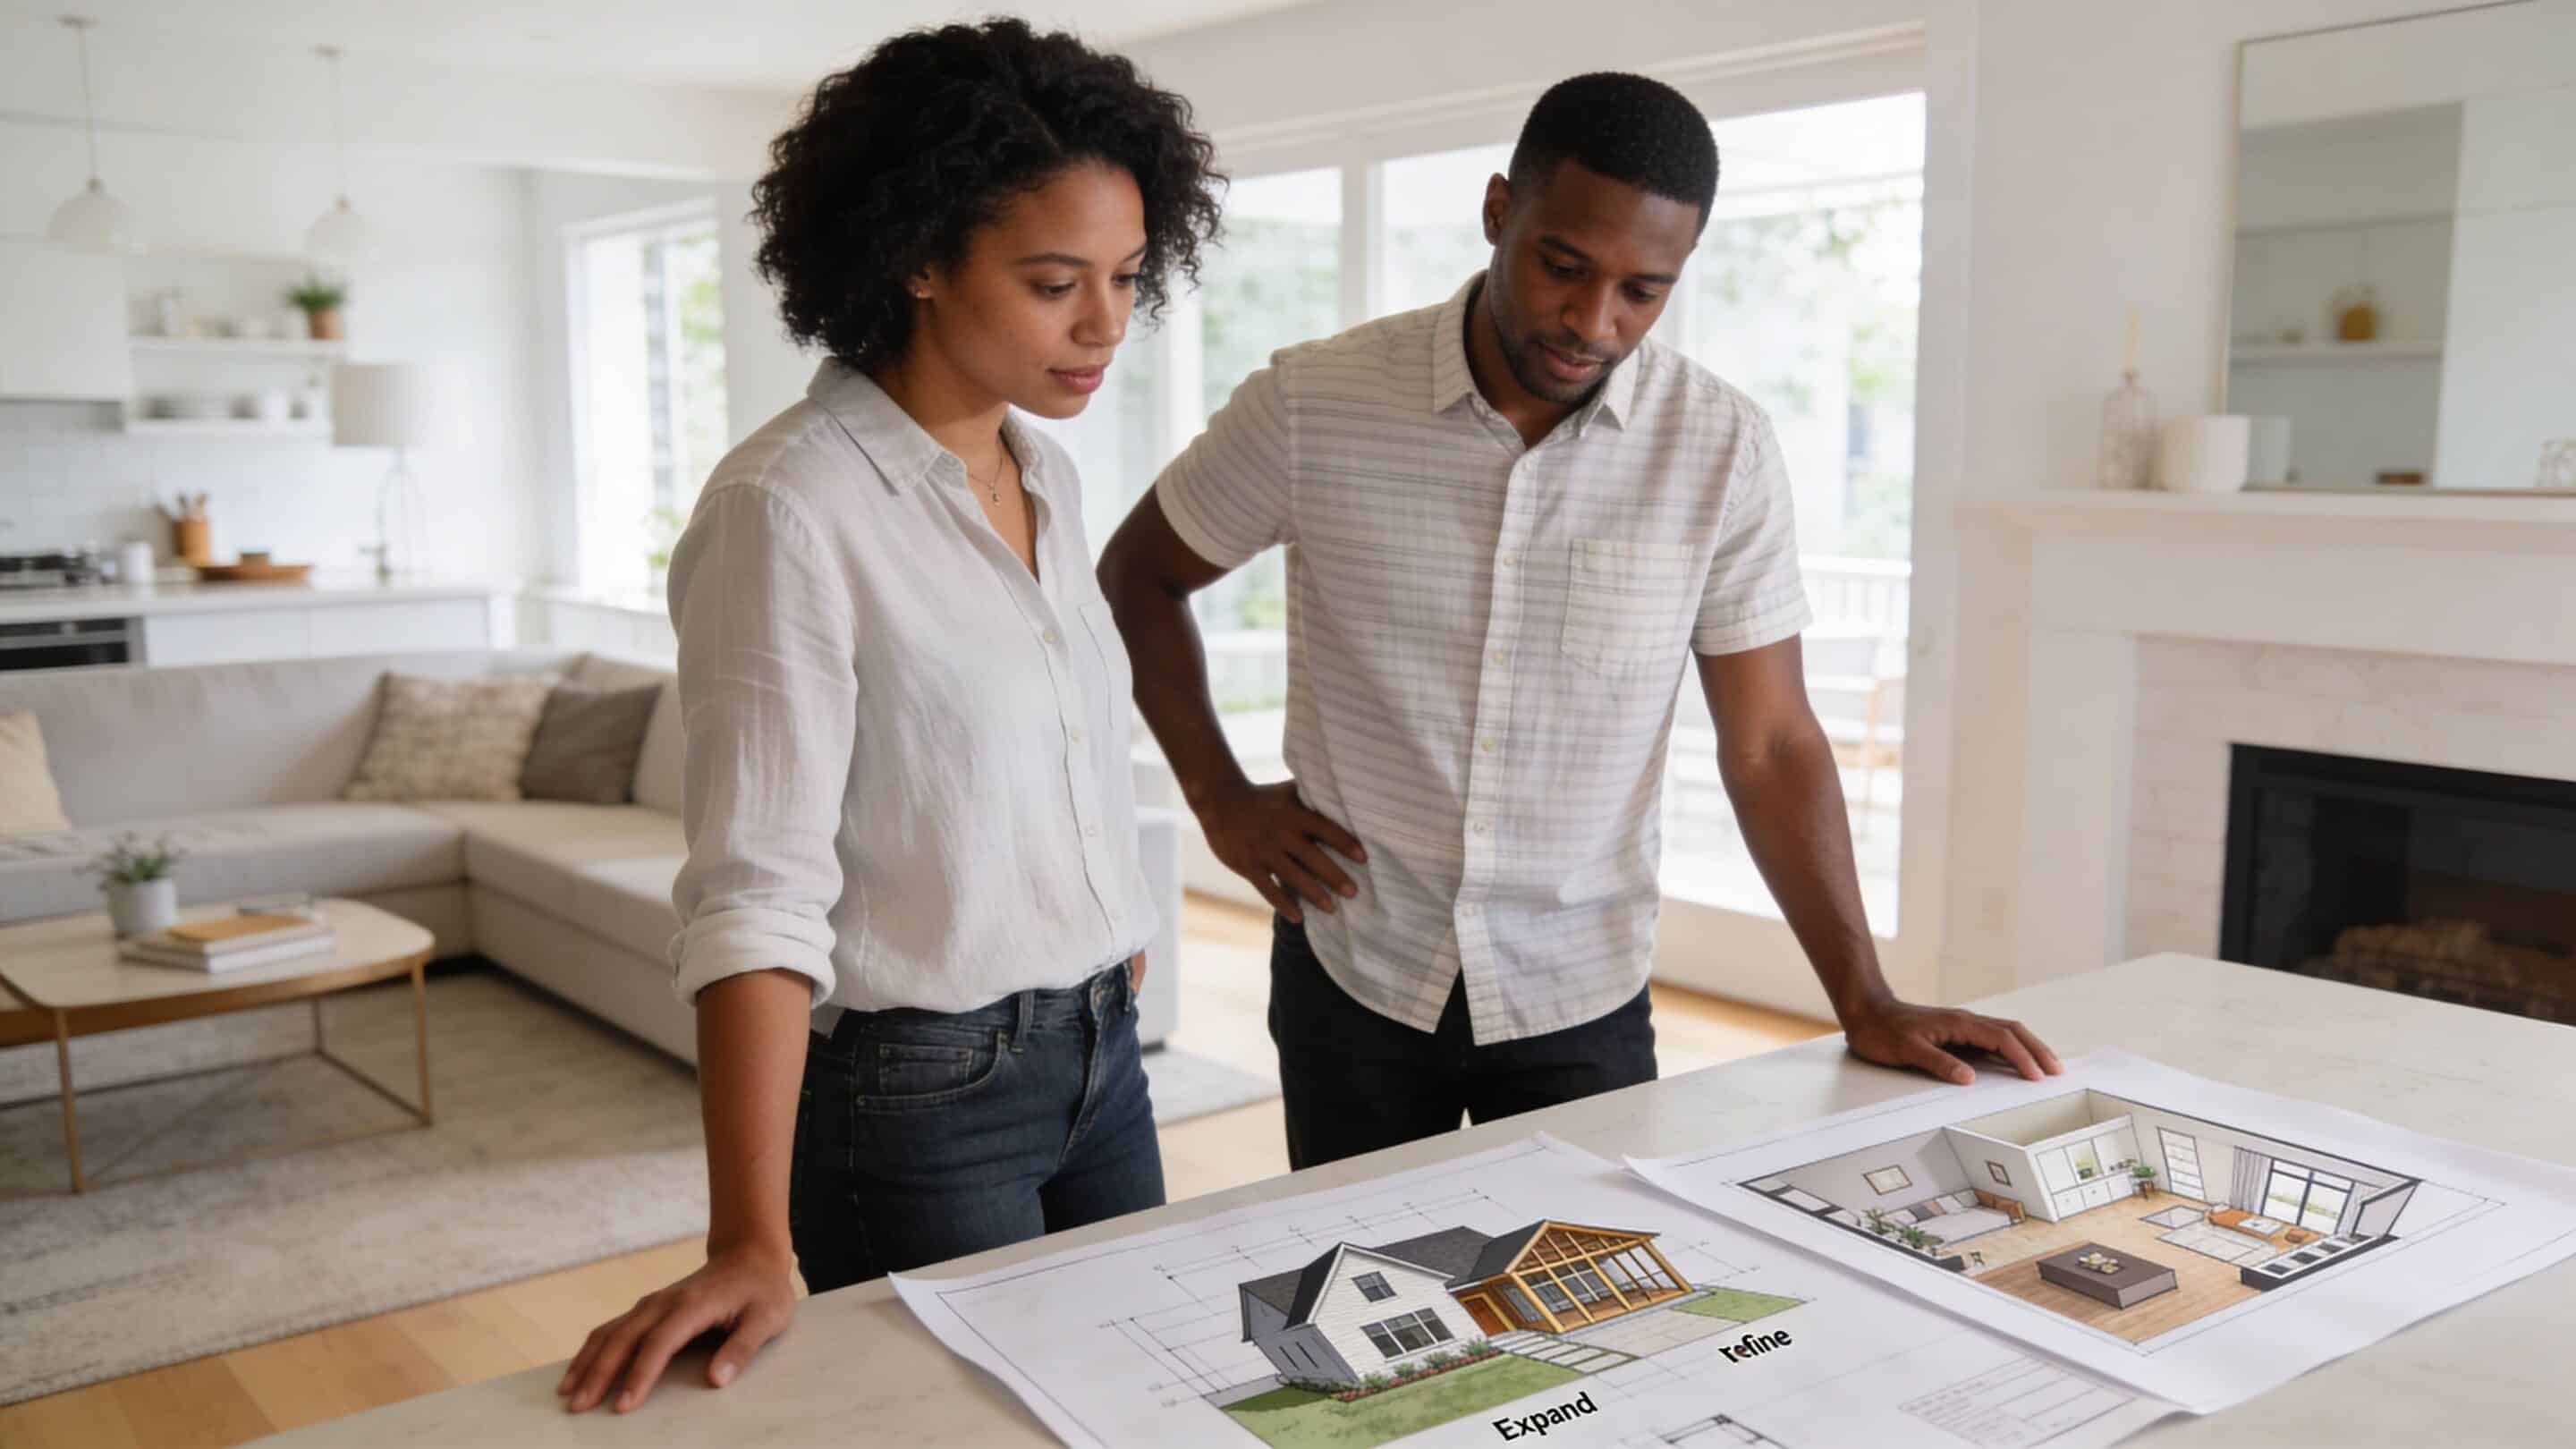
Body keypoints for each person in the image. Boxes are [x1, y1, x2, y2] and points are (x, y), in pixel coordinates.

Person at [1097, 72, 2060, 1173]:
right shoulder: (1315, 403)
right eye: (1564, 267)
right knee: (1359, 1319)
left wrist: (1864, 996)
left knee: (1596, 1316)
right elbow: (1136, 575)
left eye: (1643, 292)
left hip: (1578, 997)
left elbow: (1773, 741)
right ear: (1501, 210)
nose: (1593, 322)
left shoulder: (1721, 450)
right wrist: (1217, 799)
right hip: (1356, 971)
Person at [557, 19, 1222, 1414]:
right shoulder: (787, 511)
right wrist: (751, 1237)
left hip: (1104, 1055)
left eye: (1123, 278)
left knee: (1137, 1406)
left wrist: (1100, 932)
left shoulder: (1042, 473)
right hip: (921, 1100)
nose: (1105, 325)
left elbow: (1056, 760)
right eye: (1055, 284)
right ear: (917, 256)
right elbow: (754, 889)